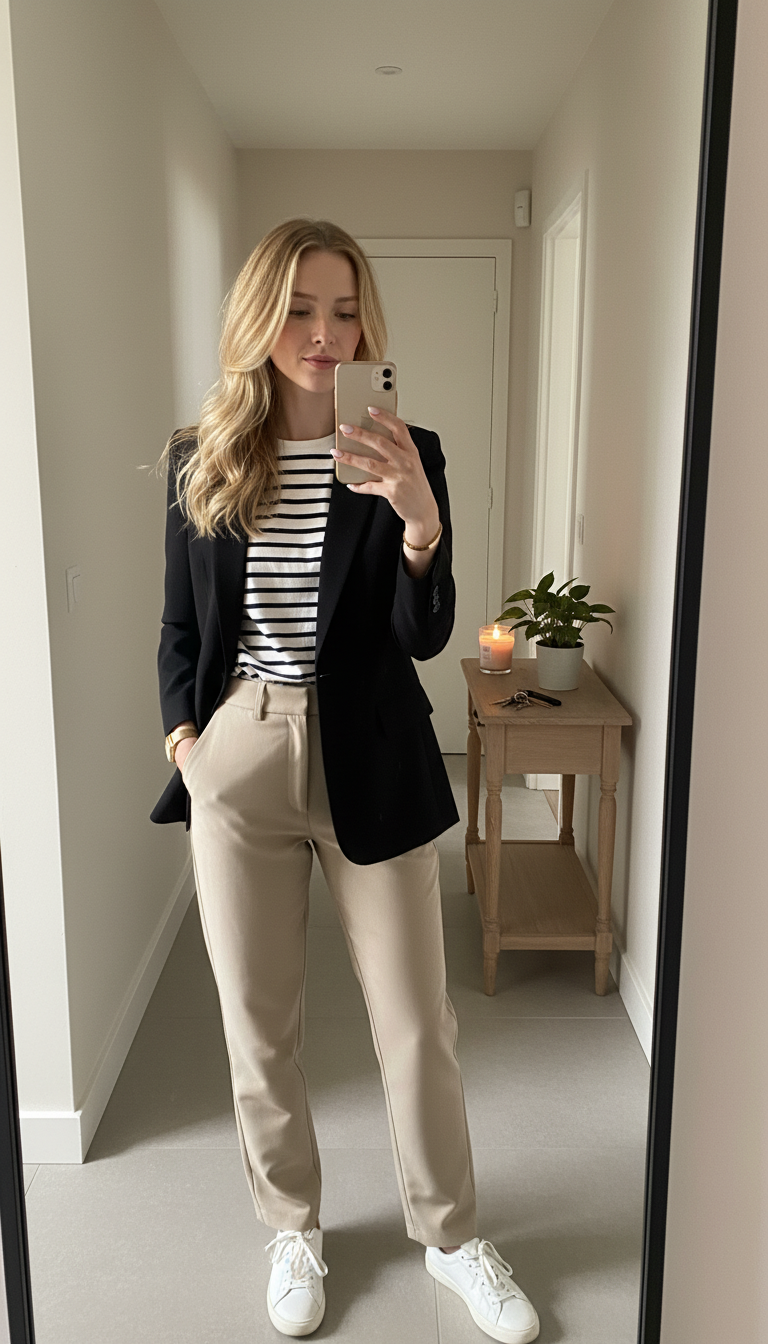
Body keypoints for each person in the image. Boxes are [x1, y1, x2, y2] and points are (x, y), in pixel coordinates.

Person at [151, 217, 540, 1343]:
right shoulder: (202, 454)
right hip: (242, 751)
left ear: (367, 320)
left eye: (346, 309)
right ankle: (294, 1226)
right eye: (301, 309)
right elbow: (180, 624)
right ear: (262, 319)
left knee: (418, 1019)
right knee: (258, 1021)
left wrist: (420, 526)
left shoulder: (402, 444)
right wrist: (186, 738)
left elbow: (424, 635)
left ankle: (453, 1235)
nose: (325, 334)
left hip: (370, 745)